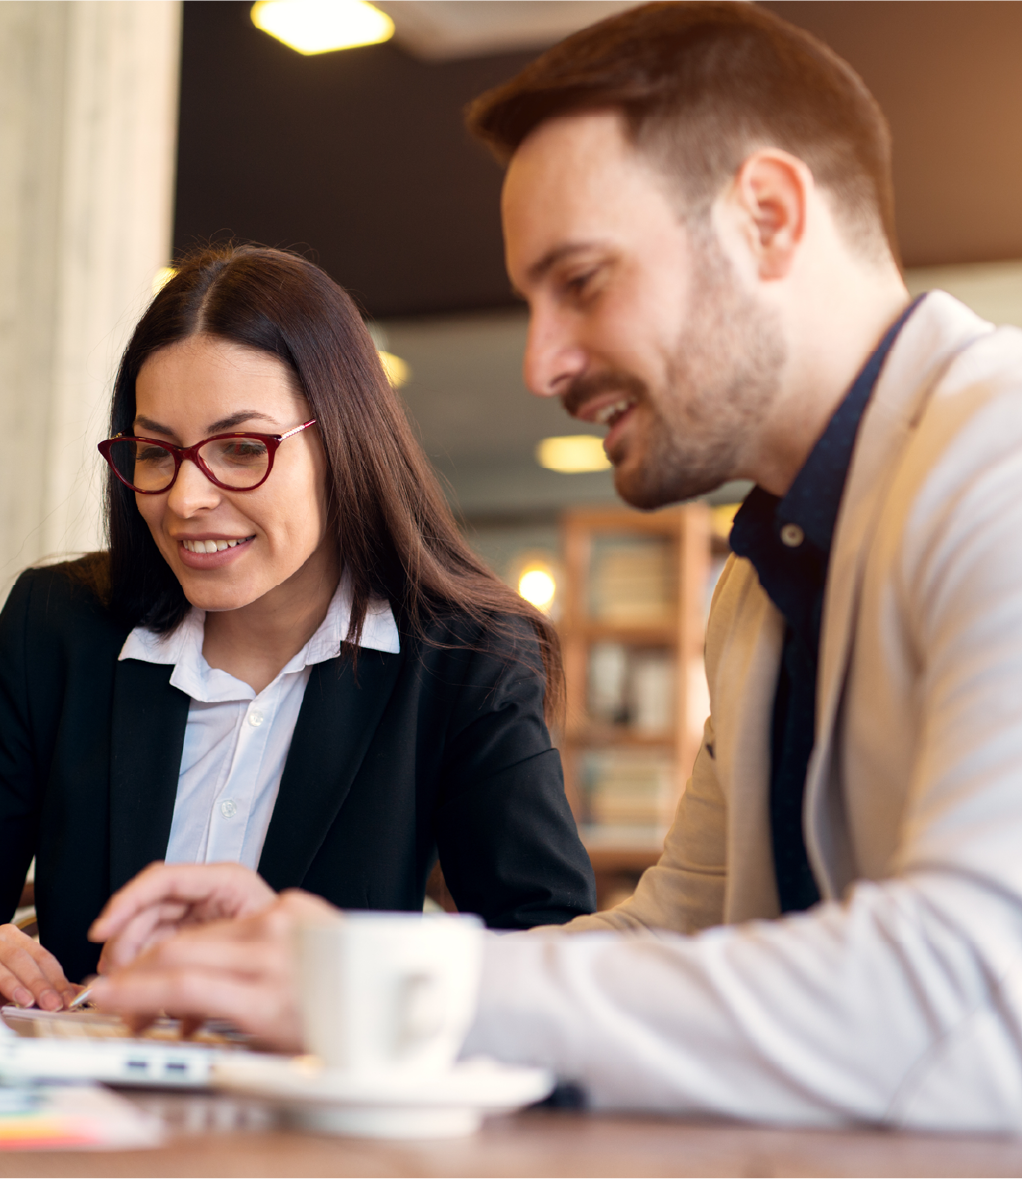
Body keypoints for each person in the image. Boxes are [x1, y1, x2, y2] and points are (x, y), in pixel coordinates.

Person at [83, 2, 1022, 1129]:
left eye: (581, 281)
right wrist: (332, 960)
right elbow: (676, 929)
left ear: (767, 217)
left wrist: (387, 986)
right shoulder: (760, 575)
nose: (543, 362)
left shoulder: (998, 460)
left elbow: (980, 1000)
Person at [0, 245, 595, 1014]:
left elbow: (548, 950)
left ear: (342, 442)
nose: (185, 498)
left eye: (241, 448)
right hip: (80, 1119)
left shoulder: (464, 659)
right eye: (157, 452)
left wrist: (341, 974)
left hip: (323, 1126)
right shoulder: (57, 630)